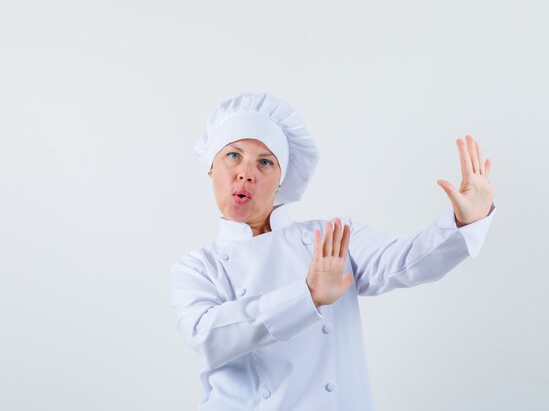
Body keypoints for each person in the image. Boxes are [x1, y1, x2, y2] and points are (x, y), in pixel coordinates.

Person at [170, 92, 497, 411]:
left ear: (282, 180)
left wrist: (464, 223)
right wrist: (307, 296)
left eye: (265, 162)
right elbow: (209, 337)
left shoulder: (331, 237)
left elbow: (405, 262)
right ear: (211, 167)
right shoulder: (197, 268)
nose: (246, 173)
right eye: (233, 156)